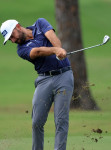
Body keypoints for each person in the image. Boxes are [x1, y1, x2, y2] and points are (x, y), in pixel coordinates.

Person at [0, 18, 74, 150]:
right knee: (37, 122)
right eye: (9, 39)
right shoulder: (21, 50)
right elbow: (37, 52)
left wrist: (58, 49)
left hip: (64, 77)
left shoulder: (40, 24)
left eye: (12, 36)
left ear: (18, 26)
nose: (12, 40)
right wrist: (55, 51)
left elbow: (53, 38)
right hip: (44, 80)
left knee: (61, 120)